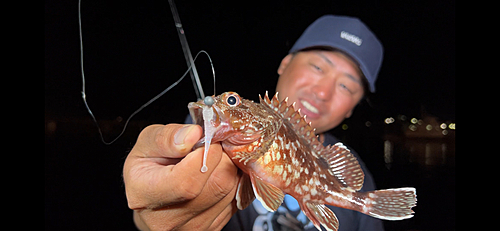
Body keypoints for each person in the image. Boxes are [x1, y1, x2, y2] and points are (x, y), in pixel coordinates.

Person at [123, 15, 384, 231]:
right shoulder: (205, 137)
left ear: (353, 108)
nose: (323, 92)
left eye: (346, 86)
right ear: (285, 63)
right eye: (318, 67)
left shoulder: (361, 182)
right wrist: (150, 216)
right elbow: (164, 197)